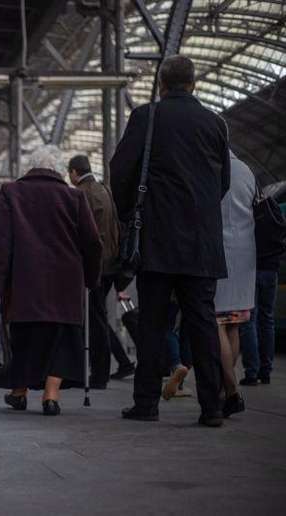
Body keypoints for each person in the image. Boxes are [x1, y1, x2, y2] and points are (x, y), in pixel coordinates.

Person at [111, 55, 230, 427]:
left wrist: (132, 213)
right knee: (203, 324)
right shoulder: (215, 124)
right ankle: (212, 408)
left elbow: (120, 172)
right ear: (193, 83)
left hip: (157, 241)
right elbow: (222, 182)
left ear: (161, 83)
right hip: (202, 244)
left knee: (153, 325)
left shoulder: (146, 118)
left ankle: (146, 403)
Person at [0, 145, 102, 416]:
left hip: (25, 283)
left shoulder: (12, 192)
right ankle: (51, 397)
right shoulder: (74, 197)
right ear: (59, 170)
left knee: (26, 338)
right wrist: (91, 277)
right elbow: (92, 242)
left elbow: (2, 241)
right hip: (66, 283)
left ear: (31, 167)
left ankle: (19, 392)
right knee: (61, 339)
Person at [68, 154, 135, 387]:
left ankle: (99, 374)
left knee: (94, 320)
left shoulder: (80, 194)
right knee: (97, 317)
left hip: (93, 265)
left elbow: (82, 233)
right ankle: (120, 363)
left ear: (74, 172)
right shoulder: (104, 190)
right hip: (111, 264)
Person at [213, 151, 256, 417]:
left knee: (215, 321)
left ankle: (231, 392)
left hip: (220, 251)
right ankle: (223, 391)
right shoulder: (247, 170)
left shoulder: (213, 169)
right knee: (233, 324)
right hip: (246, 253)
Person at [239, 201, 286, 386]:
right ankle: (266, 371)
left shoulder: (250, 212)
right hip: (272, 271)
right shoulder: (272, 209)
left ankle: (251, 372)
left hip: (252, 269)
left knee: (249, 319)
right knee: (268, 320)